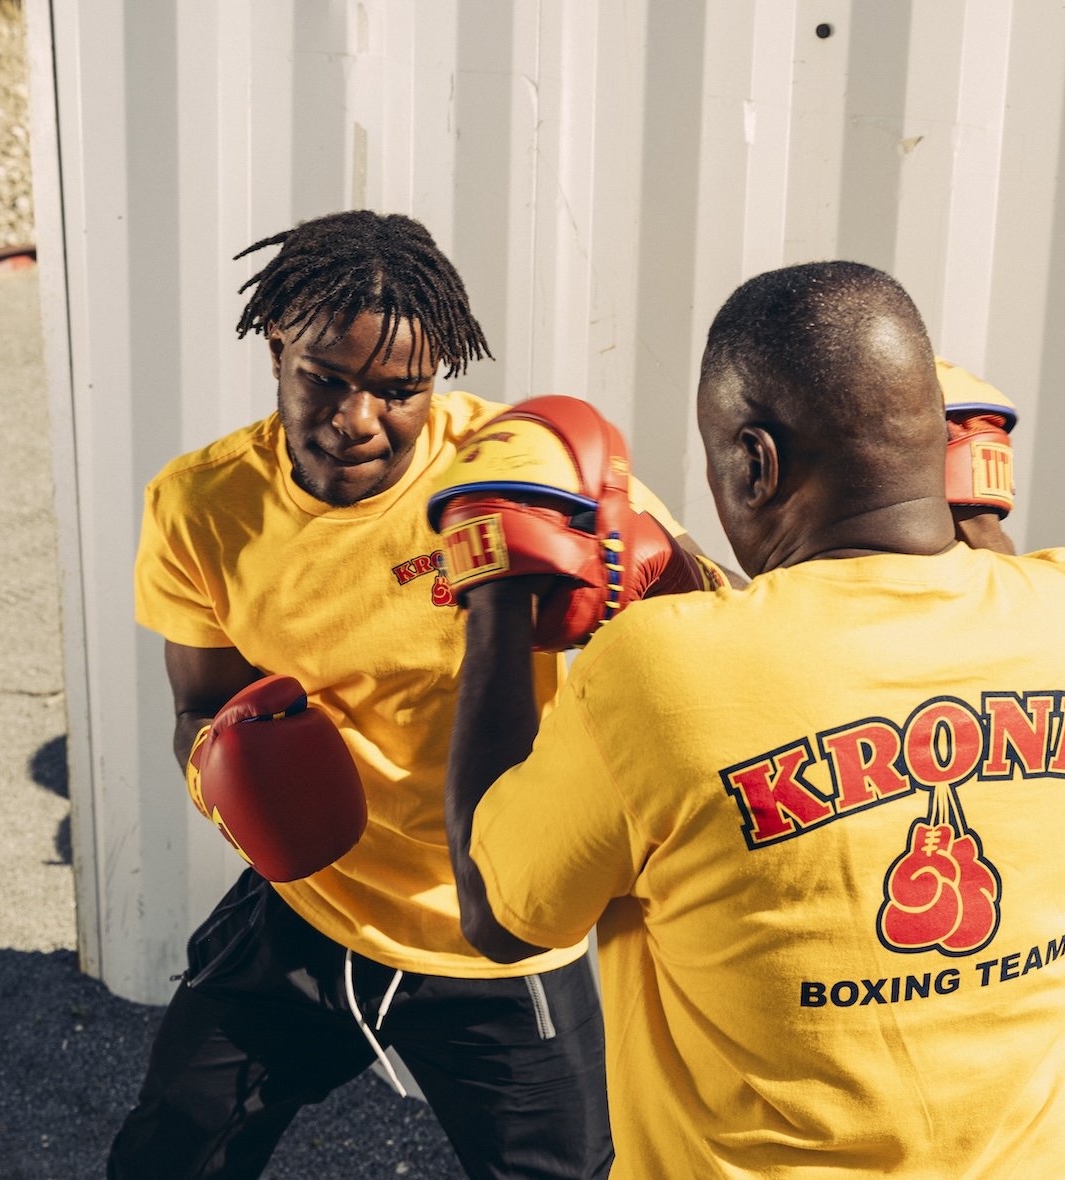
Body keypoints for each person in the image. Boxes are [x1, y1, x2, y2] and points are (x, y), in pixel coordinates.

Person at [442, 261, 1065, 1177]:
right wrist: (976, 525)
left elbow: (502, 916)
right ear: (934, 442)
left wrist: (494, 595)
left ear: (754, 462)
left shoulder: (653, 674)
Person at [110, 209, 712, 1179]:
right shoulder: (202, 505)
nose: (357, 419)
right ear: (276, 349)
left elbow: (720, 624)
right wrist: (231, 777)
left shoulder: (522, 477)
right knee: (167, 1156)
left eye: (400, 392)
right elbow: (201, 706)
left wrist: (660, 569)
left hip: (494, 935)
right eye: (325, 378)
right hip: (310, 907)